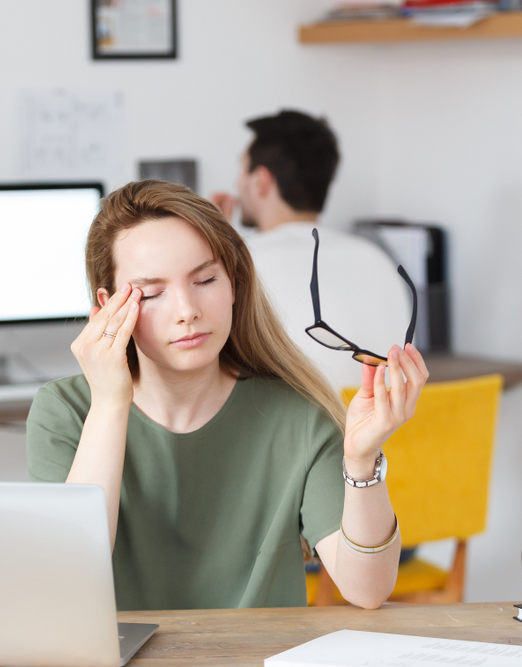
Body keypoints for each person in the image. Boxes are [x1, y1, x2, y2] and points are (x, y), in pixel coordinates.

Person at [26, 180, 428, 611]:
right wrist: (108, 403)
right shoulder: (65, 412)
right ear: (108, 306)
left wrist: (362, 462)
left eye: (205, 279)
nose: (187, 310)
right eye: (153, 292)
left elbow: (366, 591)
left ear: (233, 283)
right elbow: (71, 577)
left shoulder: (298, 415)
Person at [212, 110, 412, 390]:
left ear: (261, 181)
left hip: (312, 429)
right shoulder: (377, 257)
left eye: (242, 169)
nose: (236, 184)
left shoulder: (244, 261)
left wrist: (212, 240)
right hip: (397, 430)